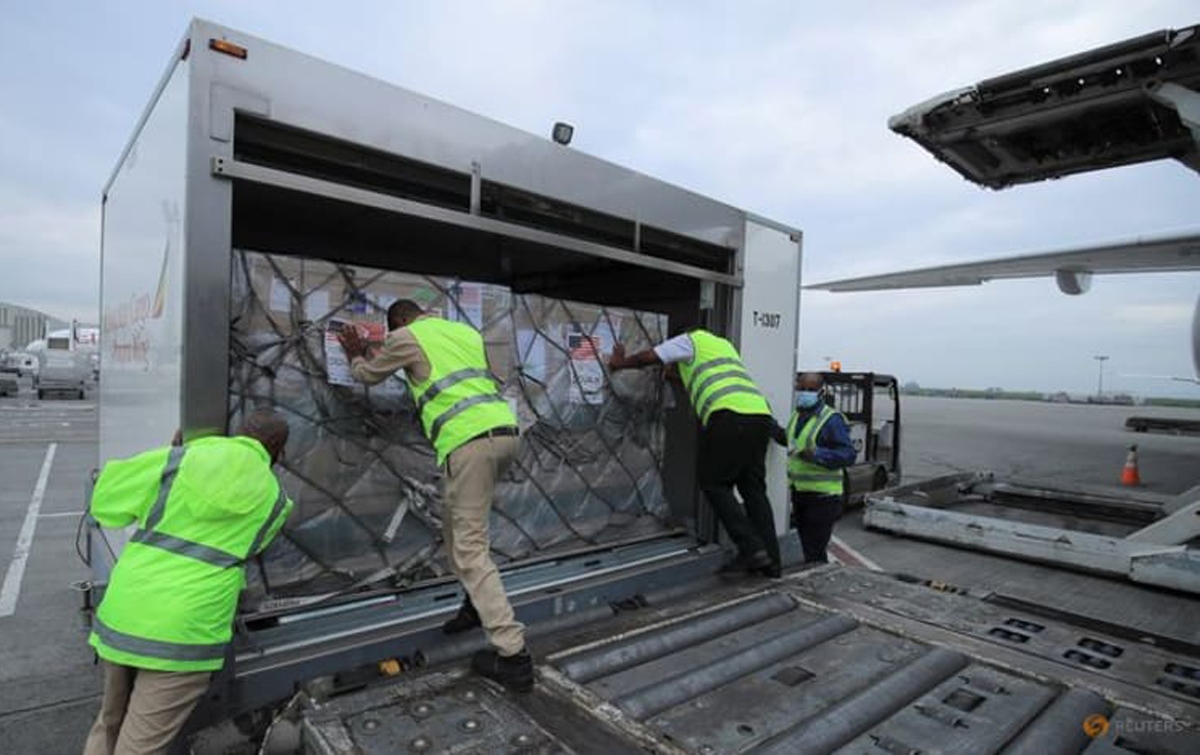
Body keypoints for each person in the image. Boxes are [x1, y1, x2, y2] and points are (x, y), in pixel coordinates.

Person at [338, 300, 532, 692]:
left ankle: (513, 655)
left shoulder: (406, 337)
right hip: (504, 434)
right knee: (456, 530)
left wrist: (357, 352)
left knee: (470, 546)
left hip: (469, 443)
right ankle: (475, 606)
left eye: (391, 332)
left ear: (396, 323)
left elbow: (368, 375)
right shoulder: (463, 332)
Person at [83, 411, 293, 755]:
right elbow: (250, 550)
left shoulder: (179, 460)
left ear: (239, 432)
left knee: (109, 723)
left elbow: (106, 504)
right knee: (140, 746)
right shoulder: (277, 502)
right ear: (278, 453)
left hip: (126, 613)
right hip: (186, 634)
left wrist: (169, 460)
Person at [608, 327, 780, 576]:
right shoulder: (723, 345)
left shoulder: (691, 340)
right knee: (754, 491)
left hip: (729, 417)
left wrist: (621, 363)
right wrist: (673, 376)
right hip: (760, 417)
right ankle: (772, 562)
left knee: (713, 482)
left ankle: (751, 549)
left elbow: (649, 356)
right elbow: (700, 377)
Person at [776, 372, 856, 563]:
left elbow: (848, 455)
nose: (805, 393)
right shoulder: (797, 415)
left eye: (811, 390)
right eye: (802, 388)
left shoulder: (831, 419)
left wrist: (816, 455)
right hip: (801, 493)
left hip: (824, 497)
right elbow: (789, 441)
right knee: (807, 547)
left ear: (821, 392)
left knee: (814, 550)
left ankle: (817, 587)